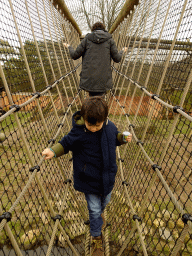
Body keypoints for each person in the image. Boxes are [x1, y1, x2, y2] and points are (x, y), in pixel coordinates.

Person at [42, 96, 132, 256]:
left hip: (107, 178)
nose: (93, 128)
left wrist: (122, 138)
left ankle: (98, 218)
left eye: (98, 125)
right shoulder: (79, 131)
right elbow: (66, 143)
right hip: (89, 179)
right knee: (95, 210)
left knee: (105, 202)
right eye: (90, 125)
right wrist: (53, 151)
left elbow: (115, 138)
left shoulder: (110, 127)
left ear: (104, 119)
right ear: (84, 119)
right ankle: (96, 238)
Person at [63, 22, 127, 97]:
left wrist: (69, 47)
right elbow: (117, 58)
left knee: (91, 99)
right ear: (104, 30)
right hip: (104, 81)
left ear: (92, 30)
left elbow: (74, 55)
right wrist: (122, 51)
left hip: (88, 81)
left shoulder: (87, 39)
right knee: (100, 101)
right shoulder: (110, 40)